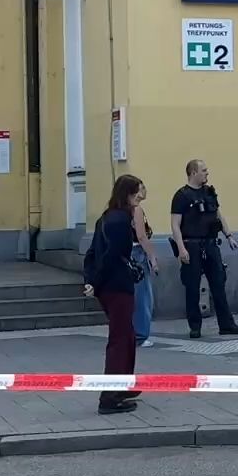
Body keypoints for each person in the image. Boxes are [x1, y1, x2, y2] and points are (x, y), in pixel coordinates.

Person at [82, 175, 149, 416]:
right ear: (128, 194)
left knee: (127, 336)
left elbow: (92, 253)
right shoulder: (121, 220)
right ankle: (110, 397)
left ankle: (124, 385)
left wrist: (90, 280)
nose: (142, 196)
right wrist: (96, 282)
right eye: (139, 192)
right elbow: (111, 256)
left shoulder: (106, 218)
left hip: (108, 285)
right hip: (117, 286)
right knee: (120, 340)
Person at [170, 160, 238, 338]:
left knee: (218, 284)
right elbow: (175, 225)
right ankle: (195, 326)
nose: (207, 173)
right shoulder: (182, 196)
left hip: (211, 244)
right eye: (204, 170)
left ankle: (226, 324)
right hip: (191, 245)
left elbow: (218, 215)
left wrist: (229, 236)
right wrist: (181, 249)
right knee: (192, 287)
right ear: (193, 172)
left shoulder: (209, 192)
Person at [128, 187, 160, 346]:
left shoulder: (118, 209)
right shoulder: (136, 209)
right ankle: (140, 335)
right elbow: (141, 235)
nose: (145, 191)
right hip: (137, 253)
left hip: (126, 253)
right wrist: (152, 257)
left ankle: (130, 333)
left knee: (131, 297)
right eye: (141, 188)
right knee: (143, 296)